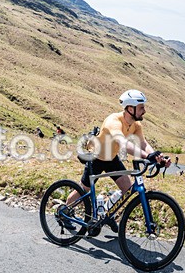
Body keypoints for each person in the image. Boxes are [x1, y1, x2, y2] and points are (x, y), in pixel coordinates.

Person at [65, 89, 171, 231]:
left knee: (127, 189)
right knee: (83, 191)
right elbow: (124, 144)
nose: (144, 111)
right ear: (130, 108)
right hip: (96, 158)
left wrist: (158, 157)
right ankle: (64, 212)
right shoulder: (113, 121)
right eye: (141, 108)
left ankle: (106, 212)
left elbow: (143, 143)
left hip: (112, 158)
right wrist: (147, 156)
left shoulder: (136, 125)